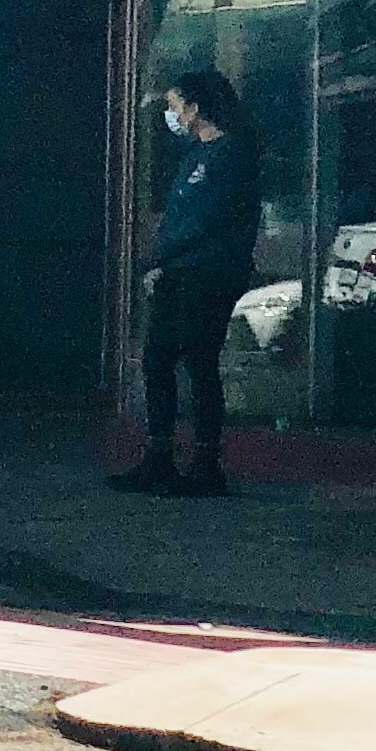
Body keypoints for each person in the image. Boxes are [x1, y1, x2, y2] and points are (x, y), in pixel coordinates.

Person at [120, 68, 263, 499]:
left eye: (175, 105)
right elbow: (179, 217)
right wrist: (160, 261)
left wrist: (164, 257)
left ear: (196, 107)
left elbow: (210, 219)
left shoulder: (233, 154)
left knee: (199, 362)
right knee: (157, 359)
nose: (172, 114)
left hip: (209, 273)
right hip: (177, 272)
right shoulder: (195, 157)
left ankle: (205, 464)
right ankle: (159, 455)